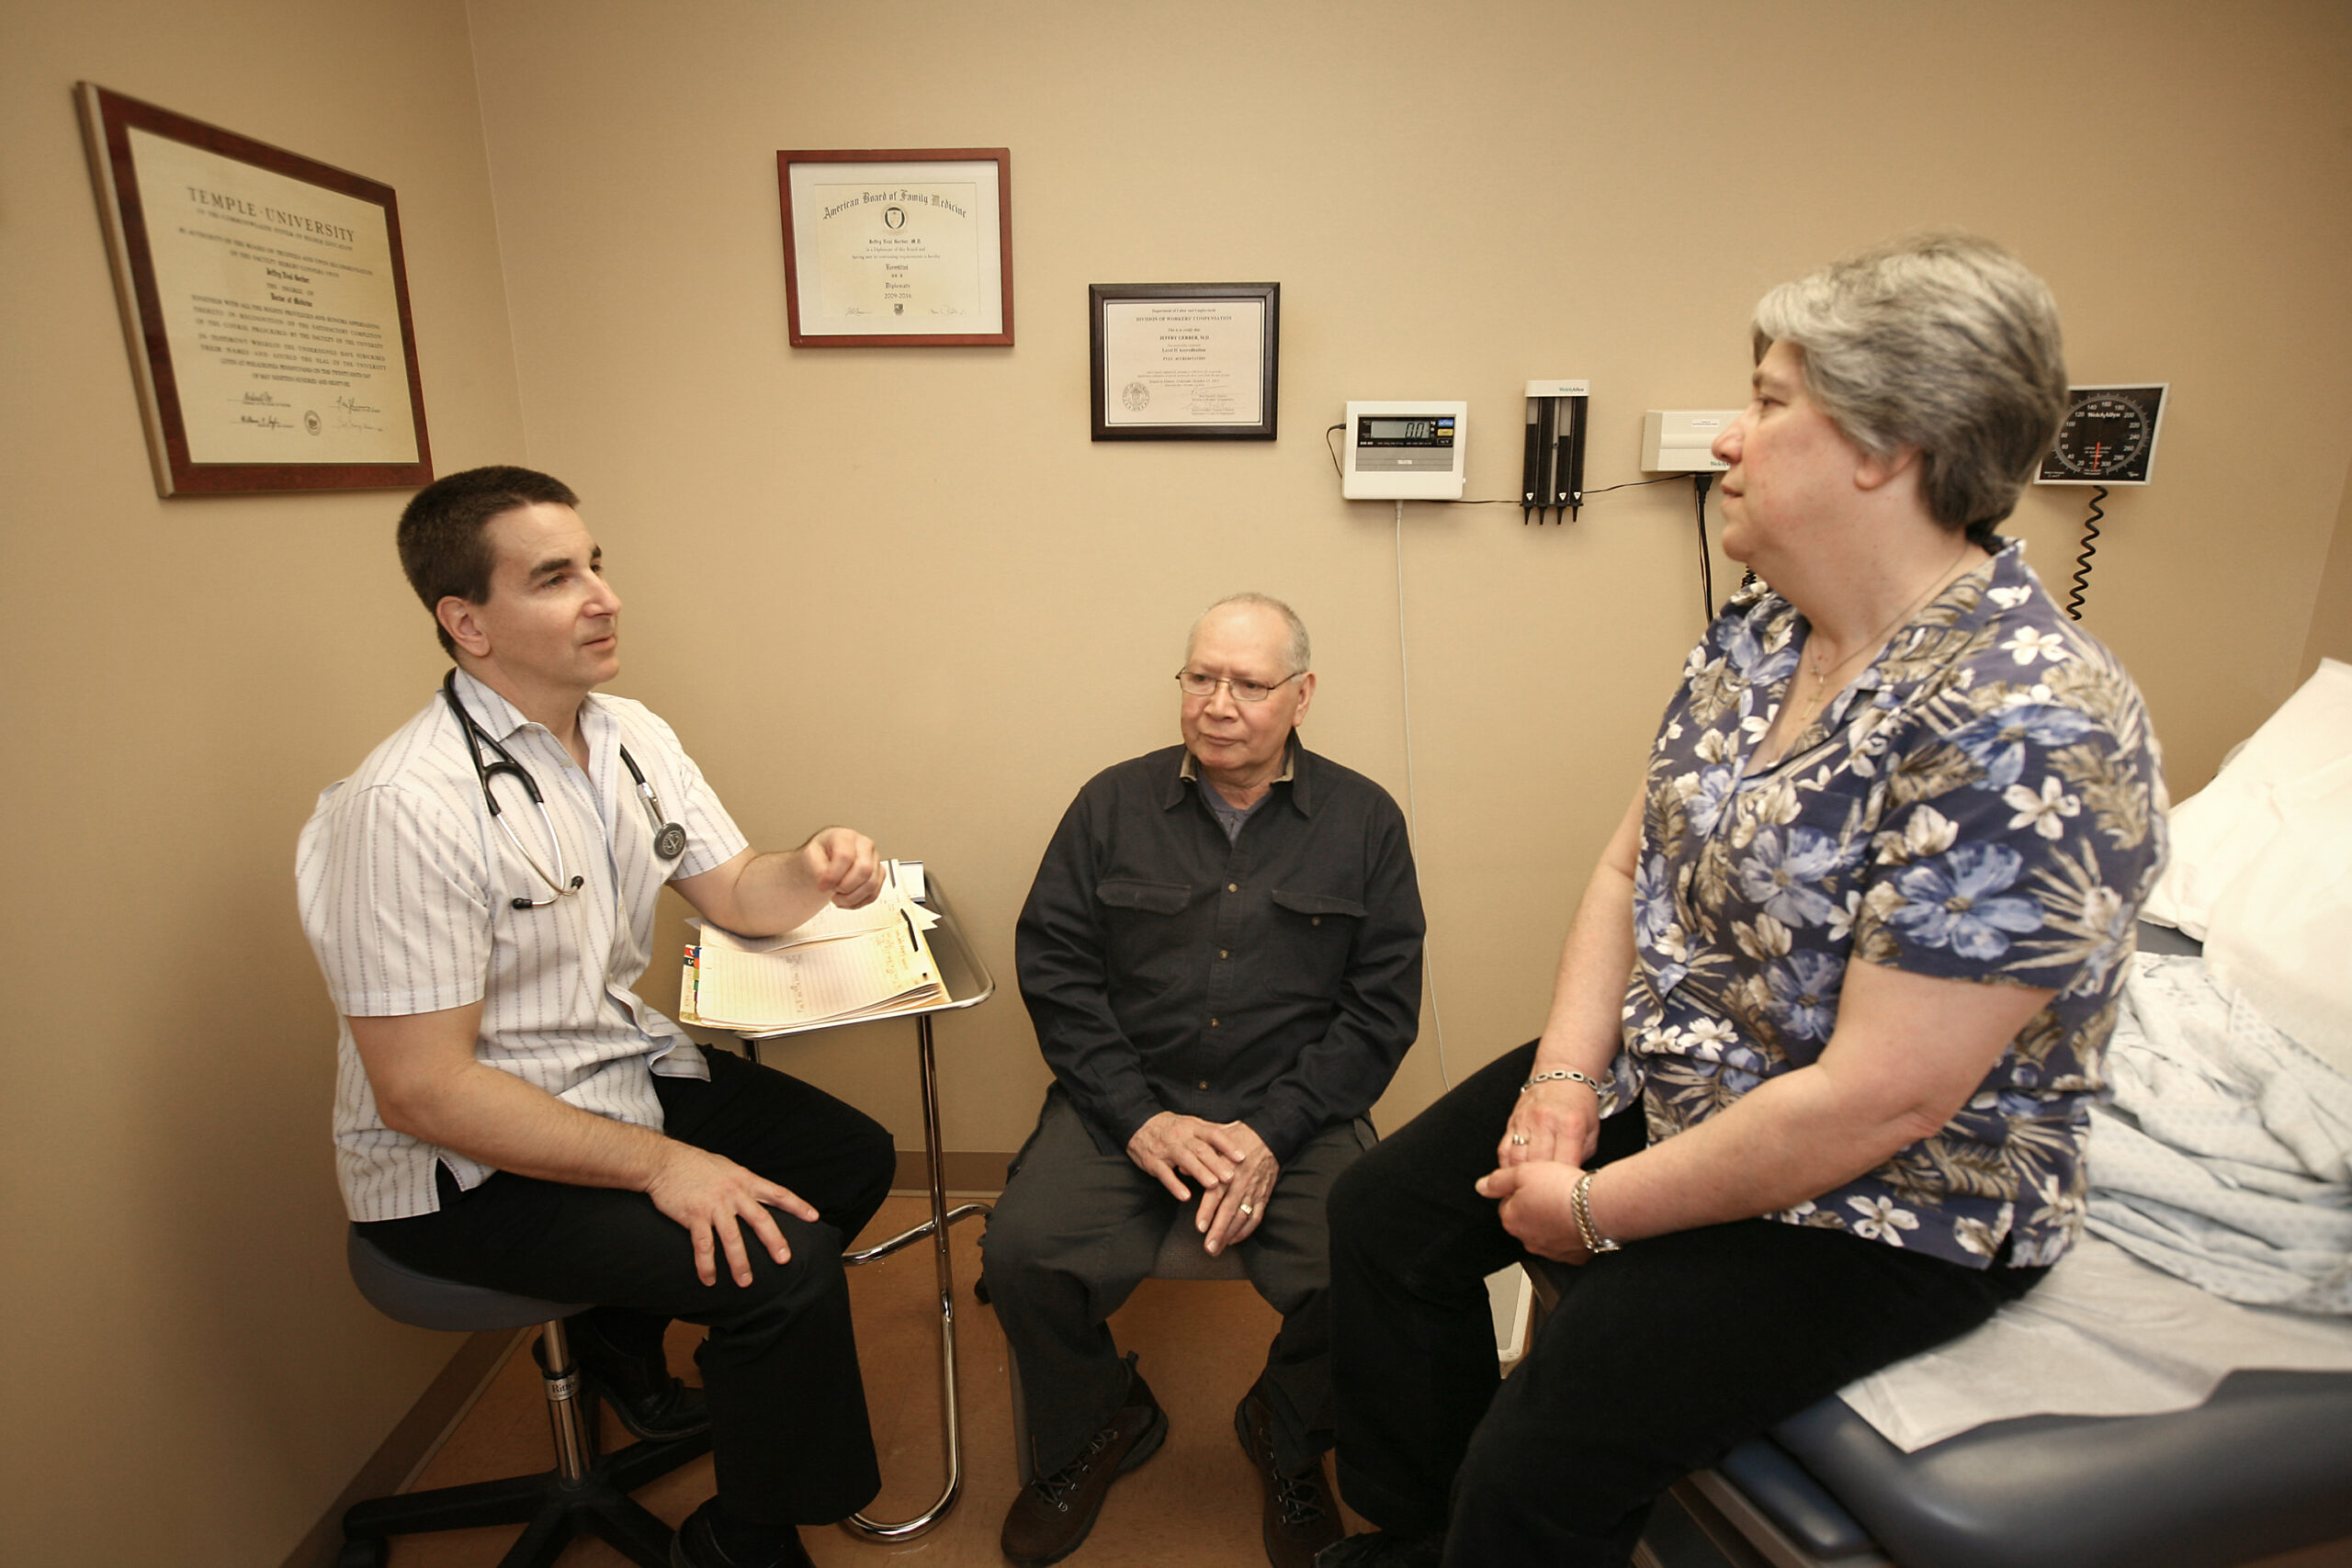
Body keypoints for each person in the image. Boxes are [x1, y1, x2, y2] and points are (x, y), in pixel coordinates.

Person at [1317, 233, 2169, 1567]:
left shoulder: (2026, 720)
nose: (1728, 437)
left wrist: (1591, 1209)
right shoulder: (1767, 628)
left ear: (1887, 446)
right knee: (1381, 1218)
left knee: (1538, 1459)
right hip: (1688, 1069)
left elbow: (1880, 1100)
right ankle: (1418, 1537)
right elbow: (1629, 865)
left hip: (1887, 1195)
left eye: (1769, 402)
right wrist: (1565, 1079)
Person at [297, 466, 897, 1568]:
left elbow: (736, 894)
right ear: (468, 623)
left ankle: (620, 1343)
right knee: (783, 1269)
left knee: (848, 1159)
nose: (604, 597)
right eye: (555, 577)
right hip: (459, 1167)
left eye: (596, 565)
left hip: (610, 1071)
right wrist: (667, 1167)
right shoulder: (404, 807)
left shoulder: (628, 736)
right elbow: (424, 1091)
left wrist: (812, 868)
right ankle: (740, 1541)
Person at [984, 594, 1426, 1568]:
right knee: (1019, 1252)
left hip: (1294, 1115)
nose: (1218, 704)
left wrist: (1273, 1131)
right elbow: (1057, 974)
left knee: (1366, 1271)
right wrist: (1140, 1119)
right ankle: (1102, 1417)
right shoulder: (1110, 804)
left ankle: (1285, 1428)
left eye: (1249, 684)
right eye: (1201, 677)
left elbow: (1379, 1011)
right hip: (1126, 1102)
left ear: (1302, 695)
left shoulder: (1364, 821)